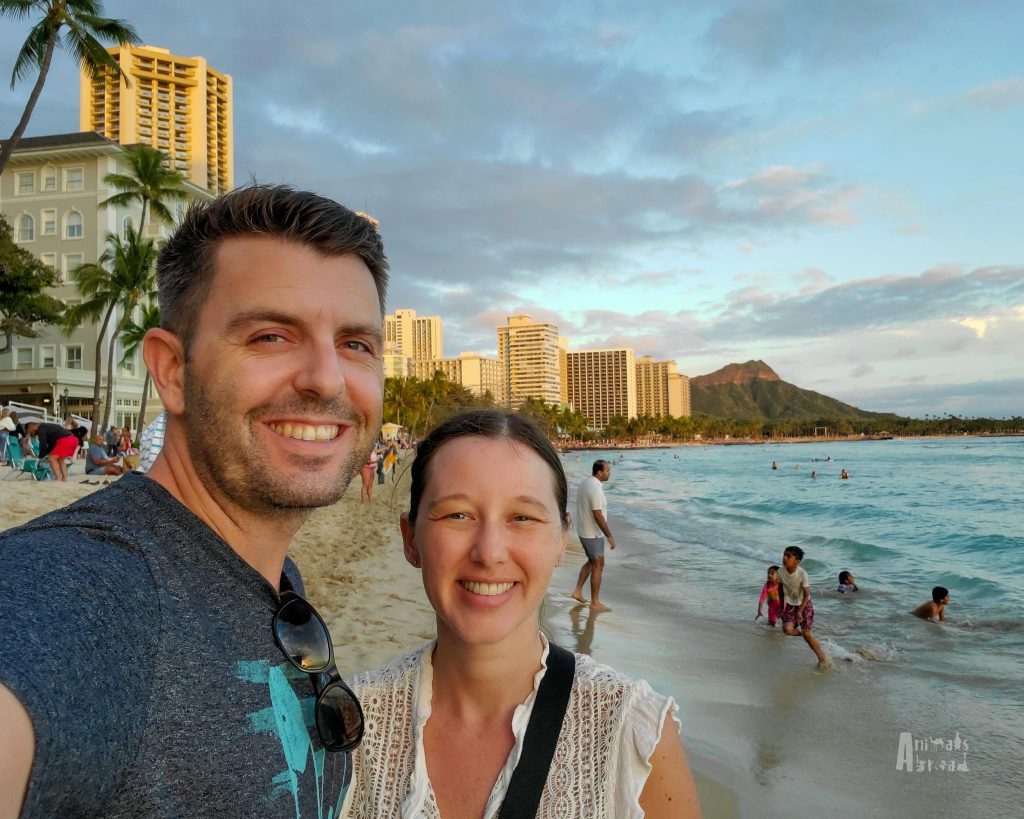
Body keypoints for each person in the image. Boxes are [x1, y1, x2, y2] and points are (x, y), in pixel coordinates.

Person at [0, 185, 388, 817]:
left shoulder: (269, 573)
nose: (326, 378)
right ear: (173, 370)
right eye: (271, 336)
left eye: (356, 344)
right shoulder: (87, 591)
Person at [344, 410, 700, 818]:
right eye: (458, 515)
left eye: (522, 518)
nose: (490, 552)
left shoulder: (633, 734)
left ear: (560, 539)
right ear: (411, 539)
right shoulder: (349, 727)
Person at [570, 459, 616, 613]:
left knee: (592, 561)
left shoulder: (586, 483)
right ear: (599, 472)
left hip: (586, 531)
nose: (609, 473)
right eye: (607, 470)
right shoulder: (595, 488)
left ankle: (577, 591)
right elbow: (597, 514)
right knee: (598, 564)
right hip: (592, 533)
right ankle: (595, 602)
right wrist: (609, 535)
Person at [779, 546, 832, 668]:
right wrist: (781, 607)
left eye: (788, 556)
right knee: (787, 629)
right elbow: (780, 590)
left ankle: (823, 659)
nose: (785, 558)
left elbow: (807, 594)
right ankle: (806, 635)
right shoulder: (781, 572)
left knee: (807, 633)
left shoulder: (802, 574)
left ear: (797, 561)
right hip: (791, 604)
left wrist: (800, 611)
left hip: (804, 604)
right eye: (784, 555)